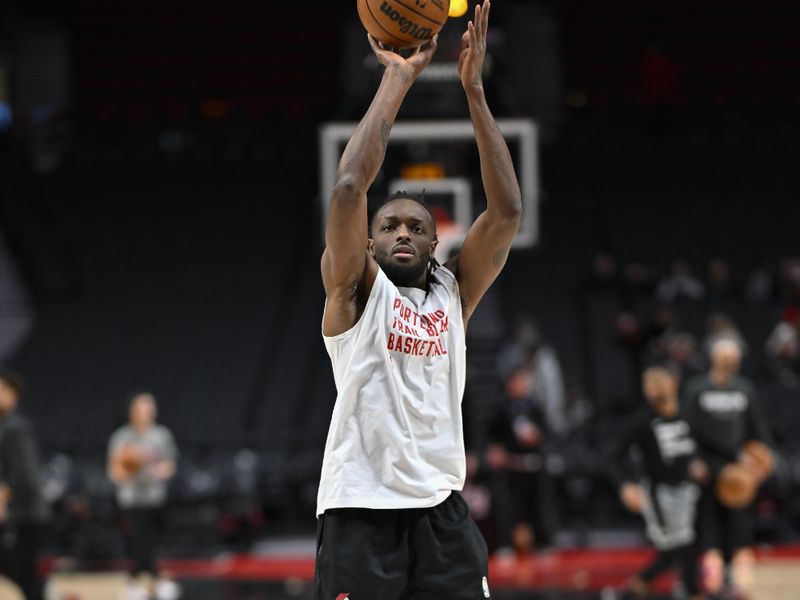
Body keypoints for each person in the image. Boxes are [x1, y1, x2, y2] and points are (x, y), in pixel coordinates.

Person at [315, 2, 522, 598]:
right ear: (372, 241)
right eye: (389, 226)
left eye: (415, 225)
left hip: (442, 512)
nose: (402, 231)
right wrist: (397, 77)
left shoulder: (454, 294)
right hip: (360, 509)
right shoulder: (354, 292)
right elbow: (352, 185)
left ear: (437, 242)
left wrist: (475, 93)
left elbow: (506, 212)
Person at [607, 365, 707, 600]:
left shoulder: (686, 415)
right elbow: (612, 457)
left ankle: (629, 593)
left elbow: (697, 447)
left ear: (672, 383)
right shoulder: (642, 421)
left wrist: (698, 463)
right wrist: (625, 485)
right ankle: (692, 592)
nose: (651, 389)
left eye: (656, 382)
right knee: (680, 549)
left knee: (677, 552)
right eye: (647, 384)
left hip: (688, 493)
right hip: (660, 495)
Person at [683, 338, 773, 597]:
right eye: (724, 357)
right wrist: (692, 460)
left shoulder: (744, 389)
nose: (729, 362)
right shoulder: (697, 388)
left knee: (736, 525)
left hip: (737, 471)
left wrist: (762, 458)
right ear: (713, 358)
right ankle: (701, 579)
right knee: (706, 523)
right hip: (707, 467)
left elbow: (757, 429)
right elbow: (686, 428)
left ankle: (731, 576)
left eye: (733, 358)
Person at [107, 392, 179, 600]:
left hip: (155, 496)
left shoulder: (161, 435)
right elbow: (114, 471)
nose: (148, 412)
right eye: (144, 408)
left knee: (154, 542)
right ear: (133, 411)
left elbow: (170, 464)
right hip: (131, 498)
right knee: (137, 542)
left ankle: (154, 583)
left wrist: (158, 469)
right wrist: (130, 467)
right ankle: (136, 582)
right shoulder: (121, 437)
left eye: (151, 408)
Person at [0, 370, 48, 600]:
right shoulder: (7, 425)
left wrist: (3, 497)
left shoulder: (15, 427)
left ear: (12, 394)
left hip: (24, 512)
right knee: (21, 571)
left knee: (23, 571)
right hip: (21, 512)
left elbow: (24, 473)